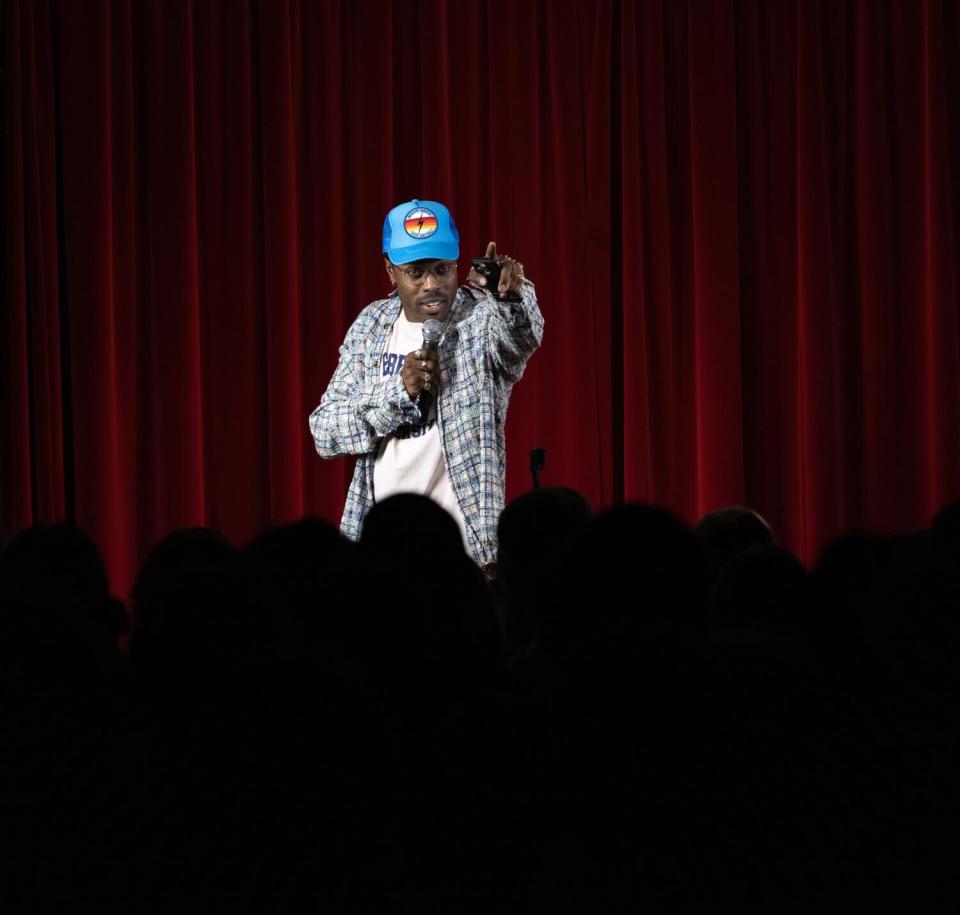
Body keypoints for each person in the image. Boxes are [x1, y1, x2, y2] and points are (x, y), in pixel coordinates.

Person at [308, 198, 543, 572]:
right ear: (391, 271)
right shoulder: (372, 326)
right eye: (416, 272)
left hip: (465, 558)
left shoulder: (482, 318)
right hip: (380, 556)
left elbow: (519, 340)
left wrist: (511, 298)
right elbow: (324, 431)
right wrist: (398, 396)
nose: (431, 285)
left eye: (442, 269)